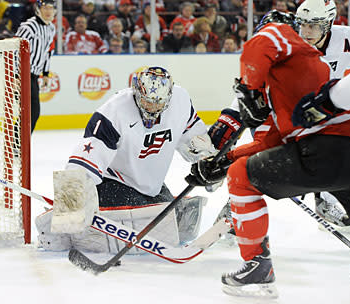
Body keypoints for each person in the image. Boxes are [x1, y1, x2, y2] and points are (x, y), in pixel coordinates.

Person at [187, 10, 350, 298]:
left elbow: (264, 41)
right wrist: (222, 161)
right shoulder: (307, 70)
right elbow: (272, 141)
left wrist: (249, 89)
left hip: (323, 153)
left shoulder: (285, 41)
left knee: (241, 178)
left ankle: (257, 270)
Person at [35, 66, 216, 254]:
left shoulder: (181, 101)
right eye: (146, 102)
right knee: (153, 220)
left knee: (176, 220)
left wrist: (207, 160)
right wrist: (68, 213)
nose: (152, 108)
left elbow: (194, 138)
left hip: (150, 186)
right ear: (136, 91)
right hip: (113, 181)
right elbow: (83, 159)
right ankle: (50, 224)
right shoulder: (115, 111)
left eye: (158, 103)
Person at [296, 0, 350, 232]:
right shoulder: (290, 44)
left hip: (328, 109)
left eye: (314, 25)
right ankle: (234, 214)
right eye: (302, 24)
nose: (306, 32)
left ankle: (324, 198)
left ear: (330, 23)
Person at [15, 0, 56, 133]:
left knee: (31, 112)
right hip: (22, 74)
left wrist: (45, 73)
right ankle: (18, 145)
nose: (48, 11)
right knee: (31, 112)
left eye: (51, 8)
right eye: (45, 8)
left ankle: (19, 144)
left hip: (33, 75)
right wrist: (15, 75)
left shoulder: (51, 28)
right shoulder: (29, 27)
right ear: (38, 9)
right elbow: (16, 51)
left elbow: (47, 52)